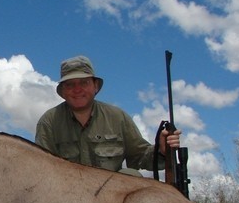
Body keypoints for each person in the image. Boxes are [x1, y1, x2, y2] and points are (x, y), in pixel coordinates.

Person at [35, 55, 181, 176]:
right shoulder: (49, 122)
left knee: (131, 175)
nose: (77, 90)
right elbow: (41, 168)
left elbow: (139, 156)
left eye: (84, 83)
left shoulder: (117, 117)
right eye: (70, 85)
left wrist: (161, 151)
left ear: (95, 86)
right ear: (63, 91)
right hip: (66, 196)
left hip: (110, 199)